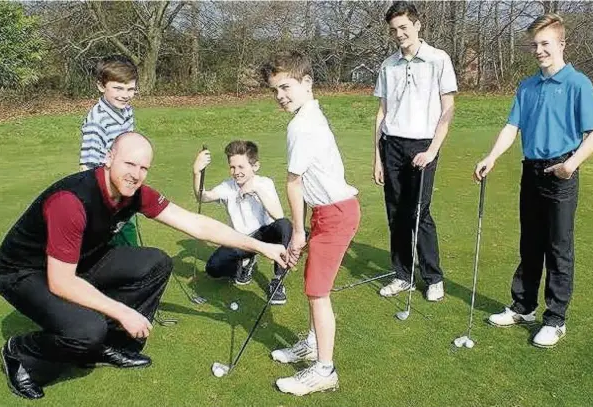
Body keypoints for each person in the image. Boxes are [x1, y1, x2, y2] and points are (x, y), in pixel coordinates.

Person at [0, 132, 289, 400]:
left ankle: (104, 347)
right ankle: (20, 353)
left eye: (143, 168)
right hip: (25, 272)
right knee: (87, 330)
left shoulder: (136, 193)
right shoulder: (70, 202)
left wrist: (261, 246)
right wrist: (123, 311)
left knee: (156, 263)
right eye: (129, 164)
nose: (136, 175)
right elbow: (61, 282)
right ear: (109, 158)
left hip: (79, 260)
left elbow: (195, 223)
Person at [474, 13, 593, 348]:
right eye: (534, 44)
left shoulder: (578, 84)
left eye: (545, 43)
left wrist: (571, 165)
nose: (539, 50)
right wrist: (492, 156)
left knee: (558, 247)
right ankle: (524, 306)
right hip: (531, 171)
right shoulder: (527, 86)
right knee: (530, 243)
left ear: (561, 44)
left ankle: (555, 319)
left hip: (561, 172)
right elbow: (512, 127)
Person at [261, 51, 360, 396]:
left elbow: (293, 182)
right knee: (312, 283)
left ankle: (324, 369)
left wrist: (298, 233)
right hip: (330, 211)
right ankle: (312, 344)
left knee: (317, 292)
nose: (280, 95)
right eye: (275, 90)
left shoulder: (302, 125)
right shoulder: (311, 112)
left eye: (286, 86)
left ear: (307, 83)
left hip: (335, 213)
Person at [374, 1, 457, 302]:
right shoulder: (388, 65)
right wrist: (377, 158)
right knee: (396, 213)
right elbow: (381, 113)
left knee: (419, 212)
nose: (399, 34)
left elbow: (448, 109)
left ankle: (433, 277)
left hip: (423, 144)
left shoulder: (438, 59)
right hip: (392, 145)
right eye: (394, 30)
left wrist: (433, 150)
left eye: (404, 27)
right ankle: (402, 275)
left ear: (417, 25)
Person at [192, 140, 292, 304]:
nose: (236, 172)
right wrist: (196, 173)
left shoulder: (264, 183)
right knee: (213, 269)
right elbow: (202, 197)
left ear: (255, 166)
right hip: (240, 241)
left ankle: (278, 281)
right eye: (232, 167)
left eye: (241, 167)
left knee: (284, 225)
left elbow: (279, 216)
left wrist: (256, 190)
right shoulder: (227, 186)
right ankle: (245, 263)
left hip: (264, 235)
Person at [79, 55, 140, 246]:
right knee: (115, 238)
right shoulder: (97, 122)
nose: (125, 94)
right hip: (106, 191)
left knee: (128, 228)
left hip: (124, 183)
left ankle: (134, 269)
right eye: (118, 88)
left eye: (130, 89)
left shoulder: (126, 110)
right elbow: (87, 165)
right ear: (101, 86)